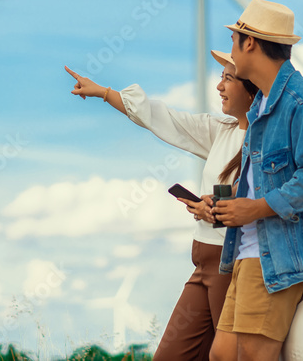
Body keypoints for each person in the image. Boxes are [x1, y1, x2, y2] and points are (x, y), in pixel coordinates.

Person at [64, 51, 259, 361]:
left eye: (228, 78)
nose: (219, 86)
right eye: (220, 77)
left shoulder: (266, 143)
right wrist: (103, 92)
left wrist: (211, 208)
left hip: (230, 267)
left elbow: (257, 197)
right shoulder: (220, 131)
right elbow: (163, 118)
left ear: (252, 88)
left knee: (231, 357)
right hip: (202, 265)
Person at [209, 0, 303, 361]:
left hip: (278, 256)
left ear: (249, 42)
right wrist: (226, 207)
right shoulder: (260, 107)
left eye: (235, 40)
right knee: (222, 355)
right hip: (247, 252)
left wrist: (254, 209)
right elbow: (259, 184)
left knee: (254, 355)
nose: (232, 51)